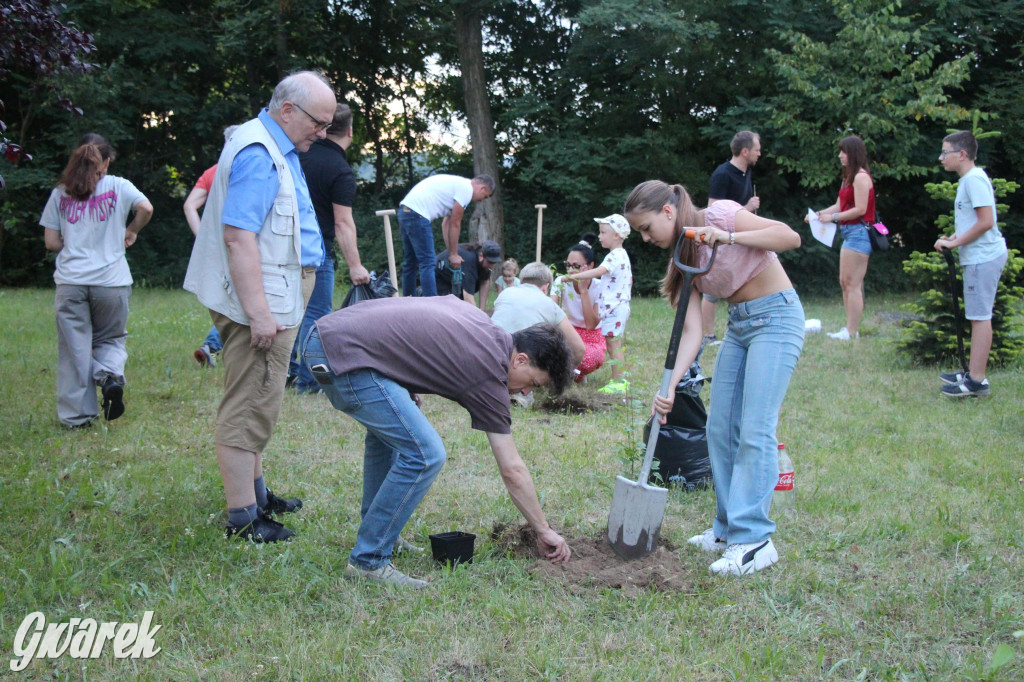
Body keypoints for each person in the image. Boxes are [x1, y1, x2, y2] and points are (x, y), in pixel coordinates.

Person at [301, 296, 574, 587]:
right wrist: (543, 530)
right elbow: (512, 469)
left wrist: (402, 378)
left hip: (331, 337)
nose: (525, 393)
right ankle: (369, 561)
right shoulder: (489, 371)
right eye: (533, 383)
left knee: (392, 438)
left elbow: (419, 331)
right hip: (340, 355)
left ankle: (381, 532)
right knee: (426, 454)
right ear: (521, 359)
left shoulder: (486, 329)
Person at [183, 71, 337, 542]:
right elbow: (238, 237)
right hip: (263, 302)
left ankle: (257, 495)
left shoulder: (271, 145)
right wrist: (259, 314)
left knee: (261, 401)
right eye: (318, 121)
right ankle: (243, 519)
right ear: (287, 110)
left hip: (277, 293)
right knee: (248, 403)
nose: (323, 132)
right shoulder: (258, 154)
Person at [623, 180, 803, 576]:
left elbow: (789, 237)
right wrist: (668, 387)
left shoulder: (718, 215)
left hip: (777, 319)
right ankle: (726, 528)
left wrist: (728, 236)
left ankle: (755, 540)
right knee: (719, 429)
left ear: (668, 212)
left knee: (755, 429)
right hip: (739, 329)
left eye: (647, 228)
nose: (645, 238)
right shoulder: (681, 260)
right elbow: (691, 332)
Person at [41, 135, 153, 427]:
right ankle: (110, 375)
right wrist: (131, 229)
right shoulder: (119, 186)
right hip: (111, 282)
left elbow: (51, 242)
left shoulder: (60, 192)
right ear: (105, 162)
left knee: (74, 348)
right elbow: (147, 208)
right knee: (111, 339)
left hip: (71, 282)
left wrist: (75, 239)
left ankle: (78, 417)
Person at [287, 103, 370, 394]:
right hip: (316, 248)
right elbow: (343, 223)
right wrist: (356, 266)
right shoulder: (339, 169)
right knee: (316, 313)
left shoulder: (299, 155)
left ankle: (285, 373)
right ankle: (309, 382)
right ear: (349, 130)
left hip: (282, 242)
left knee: (288, 311)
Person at [935, 130, 1008, 398]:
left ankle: (977, 381)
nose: (941, 158)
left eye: (946, 152)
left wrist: (955, 244)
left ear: (962, 154)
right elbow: (973, 222)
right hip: (978, 256)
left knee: (980, 318)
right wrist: (953, 237)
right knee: (977, 316)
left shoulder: (973, 180)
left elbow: (987, 222)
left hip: (983, 257)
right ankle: (972, 373)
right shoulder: (969, 180)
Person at [808, 135, 875, 341]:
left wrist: (833, 218)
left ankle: (852, 331)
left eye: (843, 152)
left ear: (853, 153)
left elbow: (860, 209)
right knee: (845, 281)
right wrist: (818, 216)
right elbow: (839, 206)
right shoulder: (848, 177)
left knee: (852, 283)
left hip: (859, 233)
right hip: (849, 232)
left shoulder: (861, 177)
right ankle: (848, 328)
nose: (840, 156)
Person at [184, 124, 240, 368]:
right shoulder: (242, 169)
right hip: (241, 241)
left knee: (226, 296)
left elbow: (189, 205)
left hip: (216, 244)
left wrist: (202, 235)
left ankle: (214, 345)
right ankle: (213, 345)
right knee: (240, 296)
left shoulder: (213, 171)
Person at [704, 130, 762, 346]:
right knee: (712, 292)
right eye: (757, 150)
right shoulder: (722, 174)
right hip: (721, 238)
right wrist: (747, 207)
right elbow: (713, 209)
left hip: (741, 237)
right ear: (745, 151)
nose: (759, 153)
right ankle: (708, 335)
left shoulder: (746, 173)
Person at [397, 174, 495, 296]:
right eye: (484, 197)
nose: (481, 200)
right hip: (418, 215)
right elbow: (455, 223)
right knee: (428, 262)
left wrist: (451, 253)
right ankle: (432, 302)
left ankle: (408, 299)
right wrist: (454, 254)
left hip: (405, 212)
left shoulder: (458, 184)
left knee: (411, 262)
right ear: (483, 188)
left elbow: (446, 224)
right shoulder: (466, 189)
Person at [566, 215, 632, 393]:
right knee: (612, 343)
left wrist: (576, 276)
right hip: (617, 307)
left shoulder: (615, 255)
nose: (600, 236)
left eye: (603, 233)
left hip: (615, 308)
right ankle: (618, 380)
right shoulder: (621, 255)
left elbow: (600, 271)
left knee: (613, 344)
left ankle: (619, 382)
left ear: (617, 236)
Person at [491, 261, 585, 367]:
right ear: (545, 287)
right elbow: (579, 349)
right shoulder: (549, 304)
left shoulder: (505, 294)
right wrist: (563, 372)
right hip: (521, 365)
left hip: (491, 356)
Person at [550, 235, 606, 381]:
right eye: (568, 265)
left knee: (587, 358)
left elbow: (591, 324)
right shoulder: (561, 282)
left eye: (576, 266)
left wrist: (583, 291)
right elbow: (550, 310)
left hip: (591, 337)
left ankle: (575, 373)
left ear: (591, 266)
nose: (570, 270)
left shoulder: (600, 286)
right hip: (568, 331)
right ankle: (572, 373)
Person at [436, 240, 501, 310]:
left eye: (494, 262)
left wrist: (482, 310)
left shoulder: (485, 263)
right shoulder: (470, 261)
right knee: (452, 308)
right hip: (439, 278)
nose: (492, 266)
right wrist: (478, 317)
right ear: (481, 256)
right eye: (490, 262)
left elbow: (484, 283)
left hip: (455, 279)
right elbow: (468, 297)